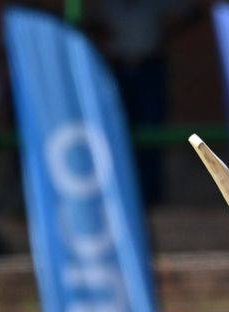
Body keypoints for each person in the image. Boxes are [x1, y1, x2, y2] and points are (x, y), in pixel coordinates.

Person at [86, 0, 202, 206]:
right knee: (116, 133)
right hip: (118, 69)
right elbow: (85, 19)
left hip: (150, 68)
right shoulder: (108, 4)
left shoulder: (155, 4)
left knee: (151, 134)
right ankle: (119, 199)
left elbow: (192, 12)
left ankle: (151, 199)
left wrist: (163, 34)